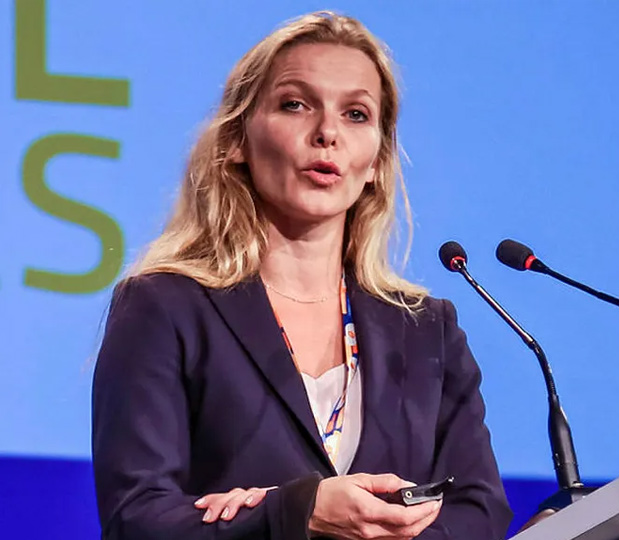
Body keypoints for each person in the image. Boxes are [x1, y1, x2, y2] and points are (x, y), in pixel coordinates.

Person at [91, 11, 512, 540]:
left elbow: (480, 512)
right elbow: (136, 519)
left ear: (376, 161)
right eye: (295, 104)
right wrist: (296, 512)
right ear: (237, 140)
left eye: (356, 114)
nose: (328, 133)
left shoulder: (427, 330)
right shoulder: (165, 307)